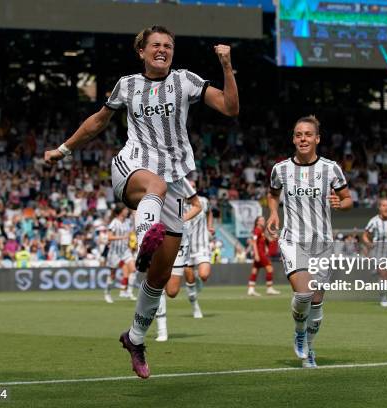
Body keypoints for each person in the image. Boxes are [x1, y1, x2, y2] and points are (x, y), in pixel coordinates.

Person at [44, 25, 239, 379]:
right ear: (142, 51)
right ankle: (146, 236)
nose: (162, 49)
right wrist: (63, 150)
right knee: (155, 184)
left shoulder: (186, 81)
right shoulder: (127, 86)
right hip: (132, 168)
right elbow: (96, 124)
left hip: (173, 185)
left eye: (168, 45)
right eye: (155, 45)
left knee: (161, 276)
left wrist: (226, 67)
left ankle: (134, 338)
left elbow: (229, 107)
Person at [267, 115, 353, 368]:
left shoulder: (331, 168)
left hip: (322, 243)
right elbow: (273, 194)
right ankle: (299, 332)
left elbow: (347, 199)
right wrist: (273, 212)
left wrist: (342, 203)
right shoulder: (280, 169)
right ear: (293, 138)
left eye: (307, 134)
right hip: (293, 239)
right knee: (303, 293)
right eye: (298, 134)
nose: (302, 138)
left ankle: (310, 348)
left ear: (317, 138)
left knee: (316, 302)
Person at [154, 178, 203, 342]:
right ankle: (162, 330)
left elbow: (197, 206)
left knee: (172, 291)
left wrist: (181, 219)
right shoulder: (152, 179)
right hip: (158, 236)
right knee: (158, 282)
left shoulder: (182, 182)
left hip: (180, 238)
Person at [363, 198, 387, 307]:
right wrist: (369, 244)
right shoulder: (374, 221)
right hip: (378, 252)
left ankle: (381, 280)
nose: (386, 208)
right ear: (379, 207)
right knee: (384, 274)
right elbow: (365, 235)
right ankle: (383, 298)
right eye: (383, 206)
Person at [104, 205, 135, 304]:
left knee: (133, 270)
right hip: (114, 252)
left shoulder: (127, 222)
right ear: (120, 211)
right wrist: (122, 237)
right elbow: (109, 237)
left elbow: (130, 233)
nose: (126, 211)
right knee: (112, 274)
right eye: (125, 209)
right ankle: (107, 293)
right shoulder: (114, 223)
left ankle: (129, 292)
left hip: (125, 250)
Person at [247, 216, 280, 296]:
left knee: (255, 270)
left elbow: (266, 241)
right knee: (269, 268)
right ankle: (269, 289)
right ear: (257, 222)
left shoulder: (261, 231)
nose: (263, 221)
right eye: (261, 220)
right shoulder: (257, 230)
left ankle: (251, 289)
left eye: (263, 219)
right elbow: (254, 243)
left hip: (260, 253)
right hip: (260, 253)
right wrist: (257, 255)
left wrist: (274, 238)